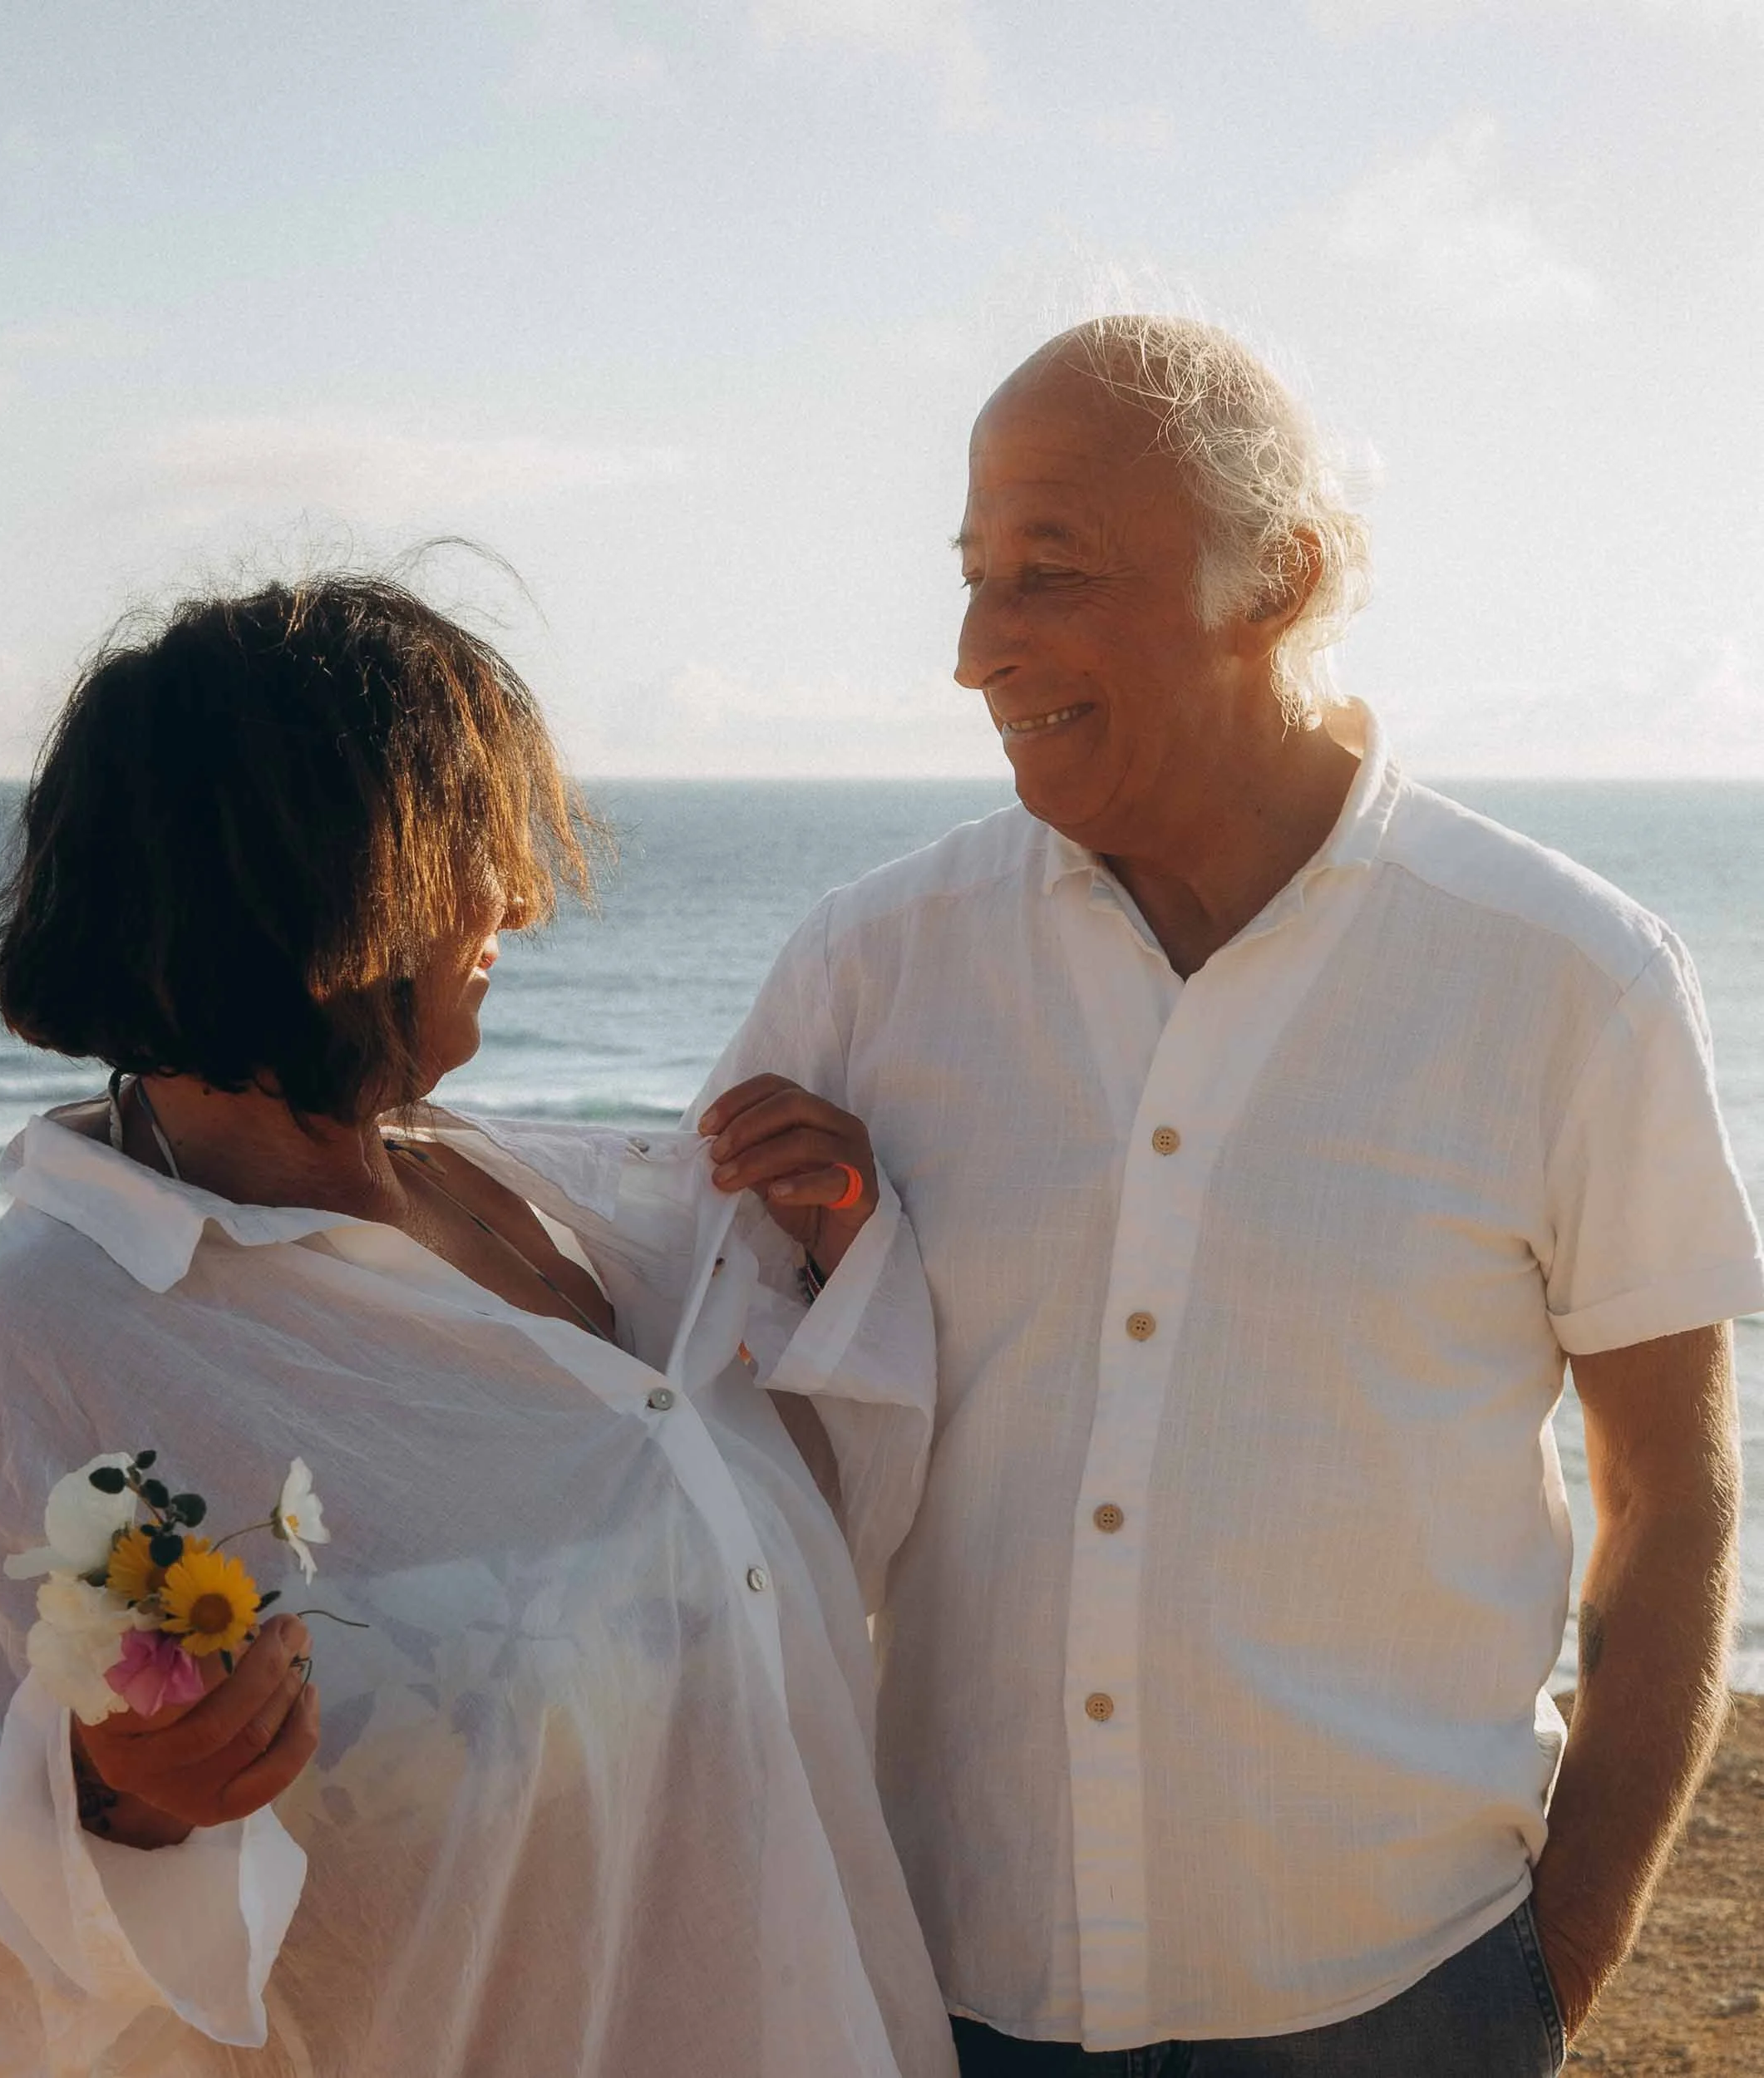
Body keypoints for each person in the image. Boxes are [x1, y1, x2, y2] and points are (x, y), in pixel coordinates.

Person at [699, 315, 1762, 2076]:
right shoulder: (867, 972)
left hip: (1402, 1992)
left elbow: (1669, 1501)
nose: (974, 650)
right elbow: (705, 1442)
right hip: (947, 1986)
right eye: (970, 576)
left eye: (1049, 571)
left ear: (1281, 576)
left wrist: (1552, 1971)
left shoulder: (1572, 978)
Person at [0, 574, 958, 2078]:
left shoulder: (564, 1206)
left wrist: (834, 1259)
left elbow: (807, 1555)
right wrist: (117, 1805)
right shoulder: (34, 1349)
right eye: (471, 846)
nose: (521, 900)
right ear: (311, 882)